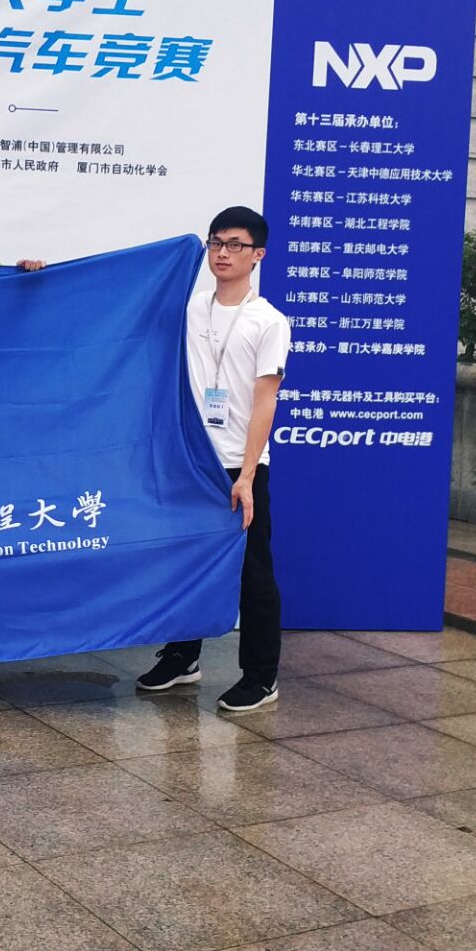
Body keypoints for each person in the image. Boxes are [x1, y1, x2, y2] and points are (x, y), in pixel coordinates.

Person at [137, 205, 291, 712]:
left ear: (258, 254)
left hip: (238, 465)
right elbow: (126, 300)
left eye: (236, 245)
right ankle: (183, 657)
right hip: (190, 460)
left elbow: (265, 401)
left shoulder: (269, 321)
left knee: (252, 572)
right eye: (216, 242)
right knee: (184, 562)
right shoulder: (192, 307)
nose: (223, 253)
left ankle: (262, 677)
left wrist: (246, 475)